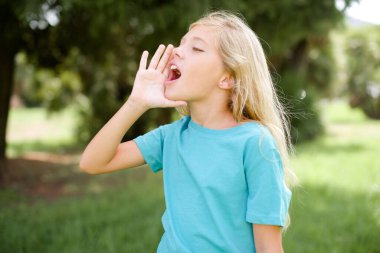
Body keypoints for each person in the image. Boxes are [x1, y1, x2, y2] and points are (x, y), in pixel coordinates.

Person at [80, 10, 296, 253]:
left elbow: (269, 248)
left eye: (197, 48)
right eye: (181, 43)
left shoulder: (255, 143)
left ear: (227, 78)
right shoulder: (171, 136)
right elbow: (93, 163)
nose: (176, 51)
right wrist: (136, 102)